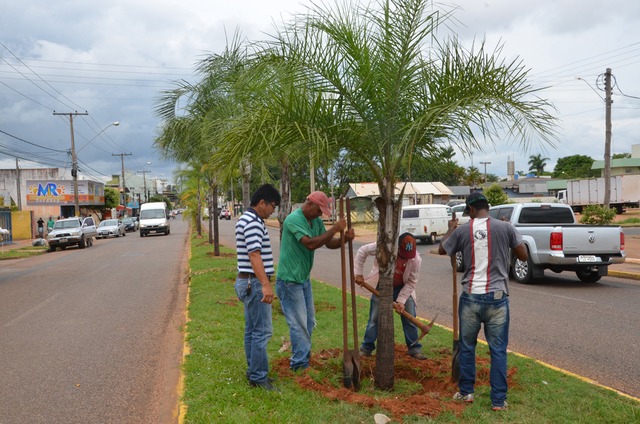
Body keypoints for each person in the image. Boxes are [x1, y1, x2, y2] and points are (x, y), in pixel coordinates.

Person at [438, 192, 527, 411]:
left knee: (467, 347)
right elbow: (523, 255)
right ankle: (498, 401)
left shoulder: (461, 231)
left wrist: (451, 227)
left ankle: (467, 392)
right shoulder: (505, 228)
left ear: (469, 210)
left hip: (470, 297)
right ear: (488, 207)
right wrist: (512, 235)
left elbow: (442, 249)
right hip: (497, 297)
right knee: (498, 350)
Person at [276, 191, 354, 371]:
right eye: (319, 210)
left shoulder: (315, 221)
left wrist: (344, 239)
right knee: (299, 323)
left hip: (303, 279)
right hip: (289, 281)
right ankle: (299, 365)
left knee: (309, 322)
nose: (321, 215)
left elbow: (328, 243)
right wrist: (335, 228)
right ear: (309, 204)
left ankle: (304, 357)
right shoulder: (293, 219)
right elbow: (310, 243)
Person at [234, 184, 281, 391]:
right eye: (272, 205)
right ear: (262, 202)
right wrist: (266, 284)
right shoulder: (252, 222)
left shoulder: (247, 219)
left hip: (248, 281)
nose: (273, 210)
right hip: (254, 282)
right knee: (262, 331)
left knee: (252, 330)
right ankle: (259, 378)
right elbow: (254, 254)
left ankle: (254, 371)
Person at [355, 233, 427, 360]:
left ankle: (414, 349)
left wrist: (401, 301)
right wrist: (358, 273)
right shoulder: (383, 247)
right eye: (403, 254)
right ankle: (366, 348)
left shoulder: (416, 259)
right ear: (396, 247)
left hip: (403, 288)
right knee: (374, 318)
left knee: (410, 317)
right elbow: (362, 251)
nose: (406, 259)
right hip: (381, 286)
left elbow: (411, 282)